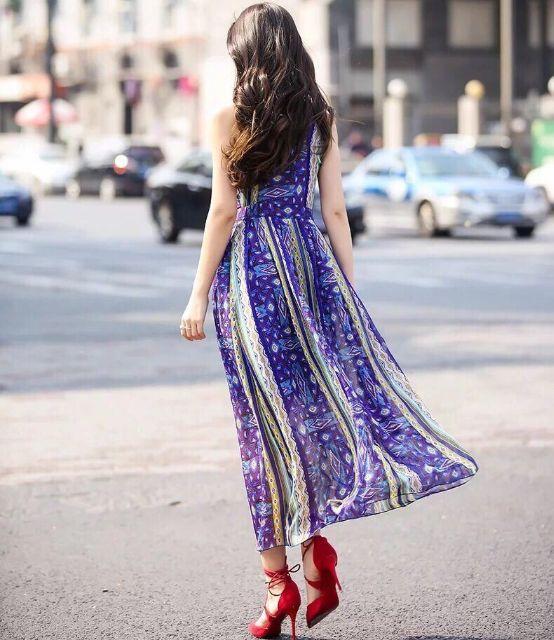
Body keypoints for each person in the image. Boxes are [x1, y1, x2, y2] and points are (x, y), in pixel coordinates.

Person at [180, 4, 478, 639]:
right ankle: (315, 558)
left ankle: (280, 584)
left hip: (252, 281)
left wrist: (197, 296)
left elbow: (223, 213)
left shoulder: (230, 119)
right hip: (311, 274)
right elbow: (335, 212)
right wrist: (346, 290)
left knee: (263, 428)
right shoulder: (319, 119)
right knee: (313, 418)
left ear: (246, 56)